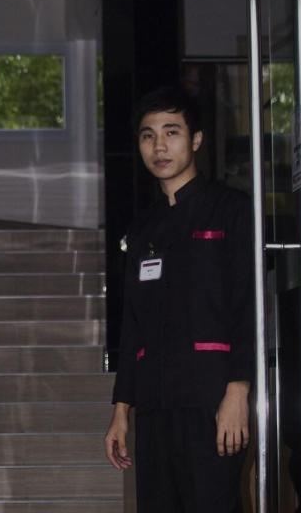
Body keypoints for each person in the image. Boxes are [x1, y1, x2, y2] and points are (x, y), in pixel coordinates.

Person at [104, 87, 254, 512]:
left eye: (172, 132)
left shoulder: (231, 210)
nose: (159, 146)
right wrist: (121, 410)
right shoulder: (142, 230)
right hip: (155, 406)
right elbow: (133, 325)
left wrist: (238, 391)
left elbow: (248, 306)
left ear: (197, 139)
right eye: (148, 135)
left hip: (212, 400)